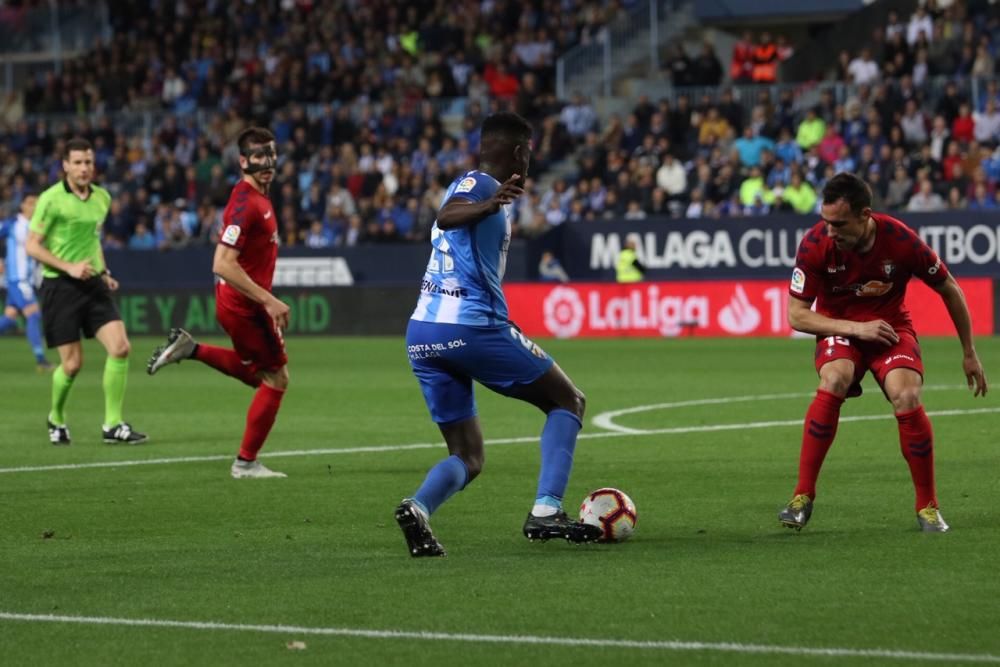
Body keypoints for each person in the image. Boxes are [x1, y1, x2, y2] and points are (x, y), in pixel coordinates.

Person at [396, 112, 600, 557]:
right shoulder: (481, 186)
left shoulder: (474, 187)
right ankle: (546, 510)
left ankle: (418, 507)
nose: (530, 164)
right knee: (568, 400)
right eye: (529, 154)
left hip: (424, 334)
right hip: (471, 326)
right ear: (520, 153)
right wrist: (489, 205)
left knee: (469, 457)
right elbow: (448, 215)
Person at [780, 172, 988, 533]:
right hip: (841, 328)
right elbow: (796, 314)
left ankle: (927, 507)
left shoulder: (900, 239)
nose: (830, 231)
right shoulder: (815, 243)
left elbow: (950, 288)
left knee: (907, 395)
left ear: (865, 215)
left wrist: (969, 352)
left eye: (839, 224)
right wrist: (856, 328)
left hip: (890, 329)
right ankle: (801, 497)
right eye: (825, 221)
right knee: (836, 377)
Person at [146, 127, 290, 479]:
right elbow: (222, 262)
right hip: (245, 306)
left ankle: (191, 349)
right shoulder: (246, 203)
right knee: (276, 379)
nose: (266, 162)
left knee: (260, 375)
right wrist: (268, 300)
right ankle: (245, 462)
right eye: (257, 156)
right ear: (243, 161)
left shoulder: (257, 196)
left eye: (270, 154)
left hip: (236, 302)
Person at [25, 138, 147, 445]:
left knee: (120, 347)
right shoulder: (50, 199)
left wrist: (103, 271)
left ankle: (112, 424)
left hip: (92, 282)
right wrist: (68, 267)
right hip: (60, 285)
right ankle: (56, 417)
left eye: (88, 162)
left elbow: (93, 241)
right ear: (65, 165)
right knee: (72, 364)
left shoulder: (102, 198)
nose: (83, 168)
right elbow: (32, 246)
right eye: (77, 162)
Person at [0, 193, 53, 371]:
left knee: (9, 319)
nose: (33, 207)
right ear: (22, 205)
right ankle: (41, 360)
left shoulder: (37, 226)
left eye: (36, 204)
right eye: (30, 203)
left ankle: (41, 360)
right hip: (18, 279)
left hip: (27, 280)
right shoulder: (13, 224)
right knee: (33, 314)